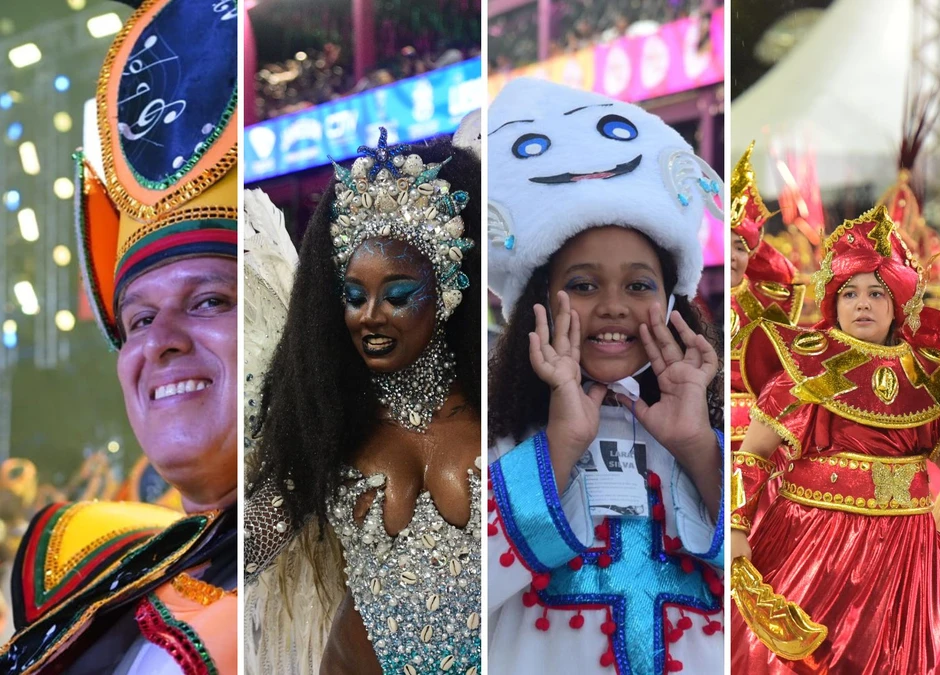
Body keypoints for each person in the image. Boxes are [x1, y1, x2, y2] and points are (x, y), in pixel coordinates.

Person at [0, 0, 239, 671]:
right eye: (137, 318)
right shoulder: (96, 570)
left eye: (211, 299)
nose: (157, 341)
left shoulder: (356, 580)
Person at [485, 78, 726, 674]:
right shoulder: (492, 437)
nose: (613, 307)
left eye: (639, 286)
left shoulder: (716, 438)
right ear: (539, 300)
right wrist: (560, 446)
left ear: (674, 304)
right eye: (584, 285)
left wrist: (698, 447)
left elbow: (782, 579)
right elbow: (451, 598)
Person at [244, 119, 482, 675]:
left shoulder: (501, 408)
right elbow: (244, 543)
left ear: (446, 293)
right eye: (354, 296)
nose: (370, 316)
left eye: (397, 295)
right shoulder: (328, 425)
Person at [730, 205, 940, 673]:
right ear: (832, 304)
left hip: (906, 556)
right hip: (814, 544)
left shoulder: (929, 379)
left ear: (899, 305)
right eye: (850, 293)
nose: (863, 304)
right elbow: (753, 454)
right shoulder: (802, 371)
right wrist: (737, 529)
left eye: (877, 293)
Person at [729, 141, 804, 452]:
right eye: (724, 244)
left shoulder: (769, 303)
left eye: (739, 247)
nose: (732, 256)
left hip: (759, 433)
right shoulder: (691, 298)